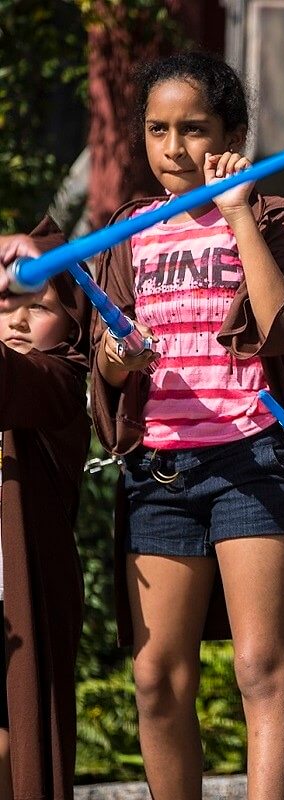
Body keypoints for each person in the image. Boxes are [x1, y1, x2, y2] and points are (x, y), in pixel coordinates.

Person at [89, 51, 284, 799]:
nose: (174, 148)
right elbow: (101, 356)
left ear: (231, 133)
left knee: (261, 664)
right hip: (159, 468)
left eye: (194, 129)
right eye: (158, 130)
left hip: (250, 457)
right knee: (157, 675)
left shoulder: (269, 213)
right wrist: (118, 359)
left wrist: (236, 213)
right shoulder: (127, 228)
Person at [0, 221, 93, 800]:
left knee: (18, 741)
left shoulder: (59, 378)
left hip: (23, 596)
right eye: (2, 302)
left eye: (35, 305)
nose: (14, 318)